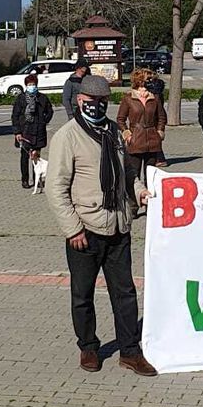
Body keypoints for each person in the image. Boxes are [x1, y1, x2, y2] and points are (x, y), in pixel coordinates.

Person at [44, 74, 155, 377]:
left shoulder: (114, 133)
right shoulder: (67, 137)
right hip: (86, 229)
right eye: (91, 101)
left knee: (126, 293)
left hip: (118, 226)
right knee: (83, 295)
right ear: (80, 101)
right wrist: (72, 229)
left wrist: (139, 191)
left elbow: (128, 172)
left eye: (102, 101)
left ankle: (131, 352)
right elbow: (56, 188)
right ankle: (89, 347)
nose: (96, 106)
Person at [117, 68, 166, 213]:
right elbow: (120, 119)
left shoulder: (154, 97)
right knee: (134, 175)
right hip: (135, 140)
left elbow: (162, 117)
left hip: (152, 140)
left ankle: (151, 206)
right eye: (148, 79)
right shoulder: (128, 98)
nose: (151, 81)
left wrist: (160, 132)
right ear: (140, 80)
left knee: (151, 176)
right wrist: (127, 134)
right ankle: (132, 206)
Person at [11, 72, 55, 189]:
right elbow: (15, 116)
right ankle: (25, 179)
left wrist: (44, 121)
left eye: (34, 84)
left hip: (38, 131)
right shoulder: (21, 99)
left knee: (36, 157)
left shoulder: (42, 98)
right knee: (25, 157)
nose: (32, 86)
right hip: (24, 131)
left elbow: (50, 111)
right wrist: (17, 132)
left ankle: (37, 179)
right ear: (26, 85)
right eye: (30, 84)